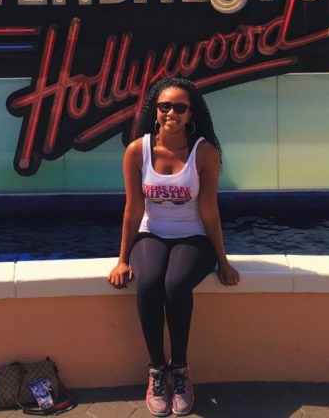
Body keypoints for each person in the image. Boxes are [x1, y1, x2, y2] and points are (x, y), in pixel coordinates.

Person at [107, 77, 240, 417]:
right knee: (149, 283)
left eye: (179, 107)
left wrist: (223, 262)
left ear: (189, 113)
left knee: (176, 284)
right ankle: (156, 371)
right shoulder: (138, 150)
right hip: (152, 233)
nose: (171, 113)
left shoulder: (204, 152)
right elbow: (133, 209)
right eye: (165, 106)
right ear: (155, 111)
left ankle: (179, 369)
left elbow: (209, 211)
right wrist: (122, 260)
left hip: (193, 236)